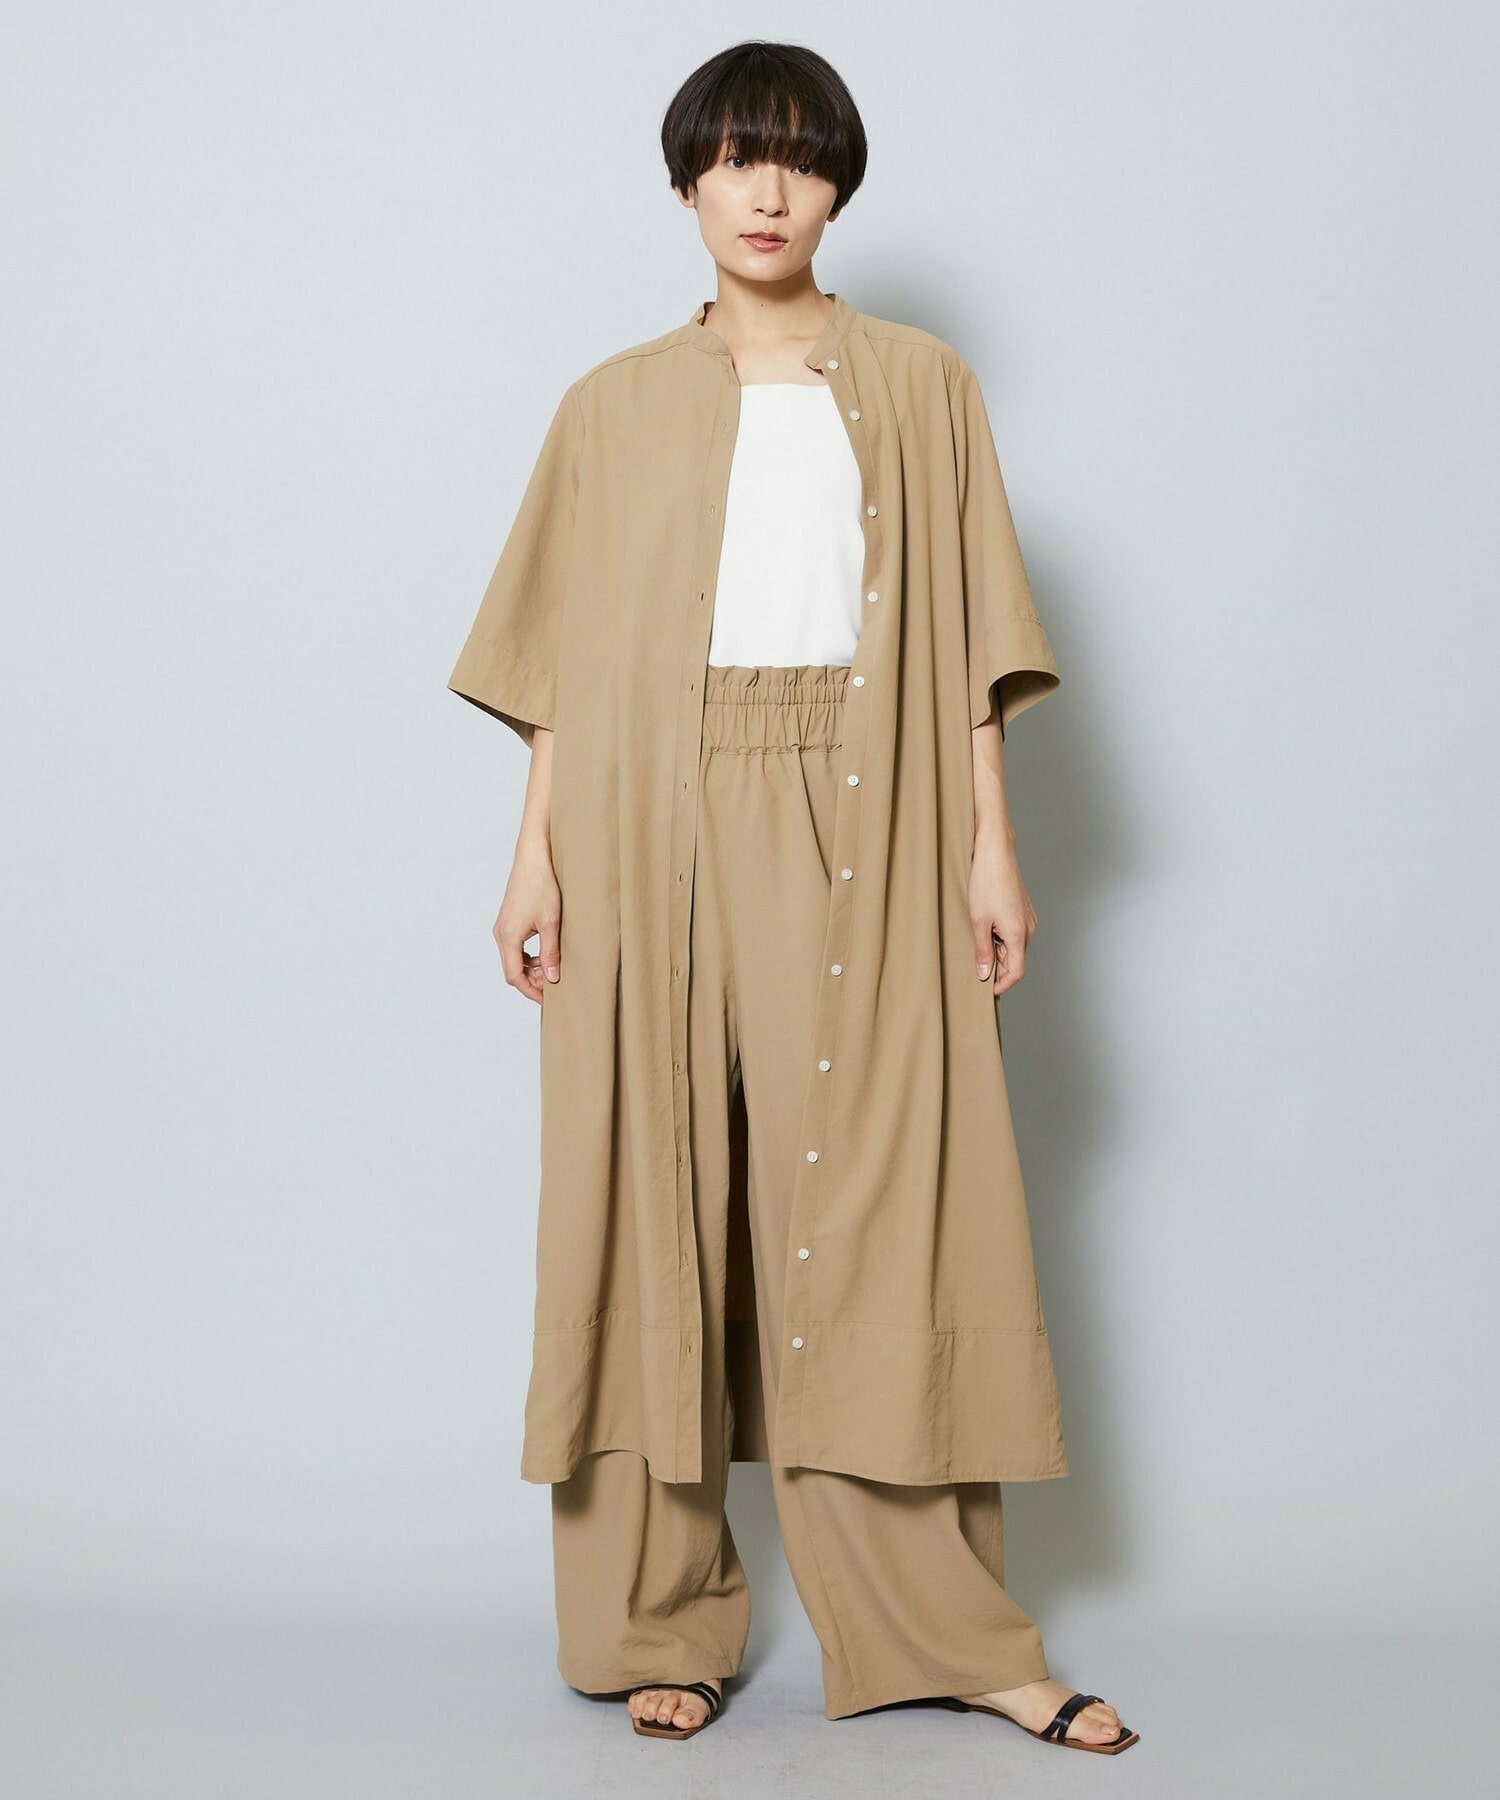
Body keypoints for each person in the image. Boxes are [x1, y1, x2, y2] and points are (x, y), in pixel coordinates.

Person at [447, 40, 1137, 1756]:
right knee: (650, 1190)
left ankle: (948, 1634)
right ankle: (655, 1622)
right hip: (646, 812)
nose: (767, 193)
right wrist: (534, 853)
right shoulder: (609, 407)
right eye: (735, 160)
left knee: (886, 1207)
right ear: (687, 181)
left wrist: (988, 846)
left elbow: (968, 650)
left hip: (871, 799)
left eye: (802, 160)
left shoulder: (925, 386)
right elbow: (561, 669)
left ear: (839, 185)